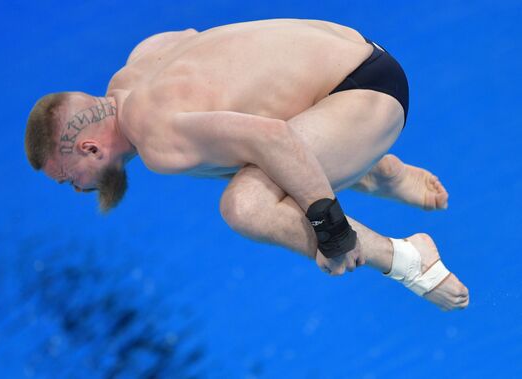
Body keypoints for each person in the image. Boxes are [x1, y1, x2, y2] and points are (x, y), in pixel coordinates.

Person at [24, 19, 469, 311]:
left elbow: (270, 137)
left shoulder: (155, 137)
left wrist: (332, 233)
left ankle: (409, 258)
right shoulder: (141, 61)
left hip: (369, 96)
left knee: (245, 206)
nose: (79, 190)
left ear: (88, 149)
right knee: (217, 146)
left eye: (68, 181)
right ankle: (377, 172)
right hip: (357, 52)